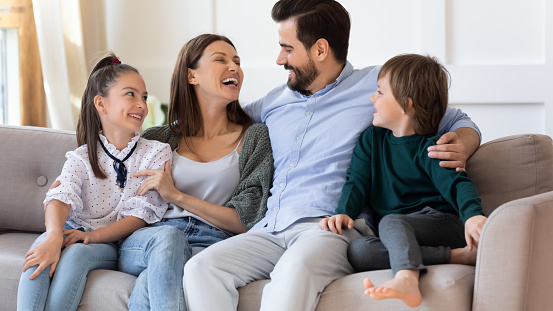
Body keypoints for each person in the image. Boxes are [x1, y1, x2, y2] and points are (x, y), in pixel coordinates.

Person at [182, 1, 482, 310]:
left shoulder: (379, 87)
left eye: (287, 48)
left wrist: (460, 143)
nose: (279, 59)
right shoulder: (273, 102)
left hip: (329, 229)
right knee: (201, 268)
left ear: (320, 50)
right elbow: (216, 124)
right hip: (271, 228)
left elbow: (459, 121)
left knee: (294, 270)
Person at [117, 34, 273, 310]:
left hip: (211, 242)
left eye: (237, 61)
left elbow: (246, 220)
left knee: (147, 285)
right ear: (192, 76)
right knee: (168, 241)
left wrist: (177, 196)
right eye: (220, 60)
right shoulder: (159, 138)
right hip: (151, 240)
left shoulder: (254, 138)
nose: (234, 67)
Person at [319, 54, 487, 307]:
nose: (372, 98)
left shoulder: (431, 148)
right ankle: (457, 257)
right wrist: (344, 212)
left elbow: (457, 184)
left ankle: (407, 278)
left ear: (407, 104)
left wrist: (473, 215)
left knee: (391, 222)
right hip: (397, 231)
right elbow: (356, 182)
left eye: (379, 92)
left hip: (441, 223)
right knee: (360, 250)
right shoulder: (371, 141)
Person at [17, 54, 172, 311]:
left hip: (109, 243)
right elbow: (61, 195)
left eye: (144, 97)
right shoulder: (81, 157)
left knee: (76, 255)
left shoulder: (156, 152)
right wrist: (54, 236)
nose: (141, 104)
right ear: (101, 104)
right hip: (72, 231)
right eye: (130, 94)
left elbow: (141, 215)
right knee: (39, 255)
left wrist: (89, 237)